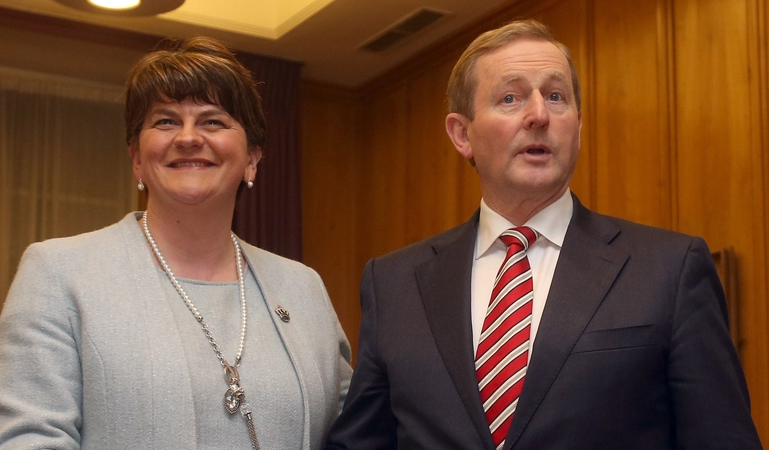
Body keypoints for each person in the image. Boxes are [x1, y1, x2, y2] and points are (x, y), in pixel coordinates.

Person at [326, 19, 761, 449]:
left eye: (556, 96)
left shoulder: (670, 269)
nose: (538, 115)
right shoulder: (395, 283)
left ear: (578, 125)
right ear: (462, 134)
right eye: (511, 98)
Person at [0, 36, 352, 449]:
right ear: (137, 158)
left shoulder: (303, 288)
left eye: (213, 121)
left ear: (252, 157)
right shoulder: (58, 272)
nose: (188, 137)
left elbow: (354, 431)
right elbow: (31, 440)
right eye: (165, 121)